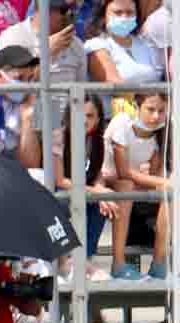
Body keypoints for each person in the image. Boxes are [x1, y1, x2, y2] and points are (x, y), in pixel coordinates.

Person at [101, 92, 170, 280]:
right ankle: (118, 265)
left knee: (170, 193)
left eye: (161, 111)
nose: (156, 116)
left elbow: (154, 173)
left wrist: (163, 182)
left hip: (136, 187)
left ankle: (158, 264)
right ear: (138, 106)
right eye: (150, 109)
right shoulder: (122, 122)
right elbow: (123, 172)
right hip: (110, 182)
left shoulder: (160, 133)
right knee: (126, 186)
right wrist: (166, 182)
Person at [0, 0, 87, 132]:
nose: (73, 14)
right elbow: (10, 92)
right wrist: (44, 53)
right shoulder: (13, 37)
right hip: (20, 131)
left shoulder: (76, 45)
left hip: (61, 131)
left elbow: (80, 95)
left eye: (74, 8)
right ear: (44, 10)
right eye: (66, 10)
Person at [54, 97, 117, 272]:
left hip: (82, 189)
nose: (84, 120)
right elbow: (60, 180)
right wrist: (96, 191)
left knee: (103, 204)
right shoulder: (59, 136)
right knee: (62, 203)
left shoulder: (97, 139)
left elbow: (96, 174)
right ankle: (63, 261)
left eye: (90, 116)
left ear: (98, 119)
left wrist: (101, 190)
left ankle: (84, 258)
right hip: (60, 191)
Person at [87, 0, 164, 87]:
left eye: (130, 12)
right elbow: (114, 83)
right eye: (118, 12)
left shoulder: (146, 44)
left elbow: (160, 78)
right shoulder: (95, 45)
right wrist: (143, 98)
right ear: (103, 17)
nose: (124, 17)